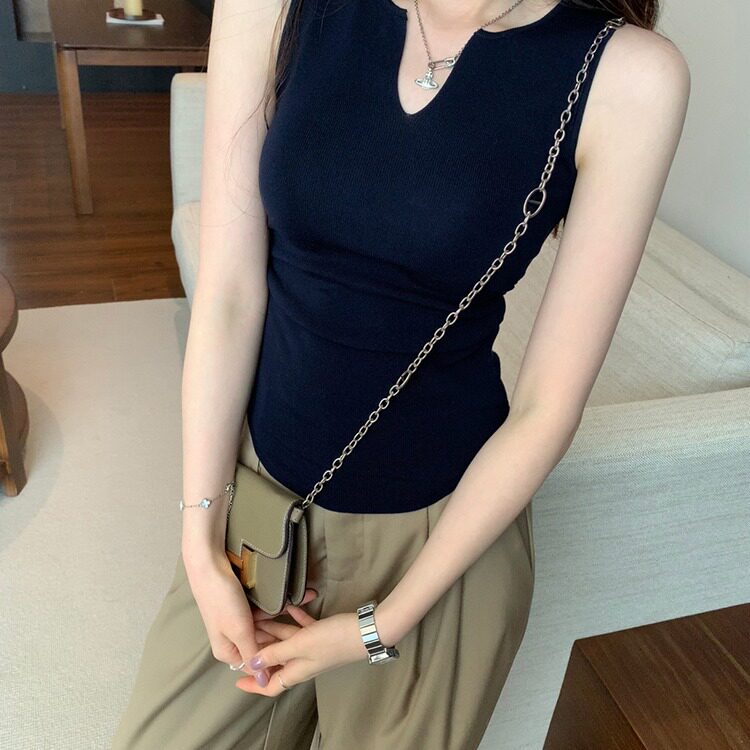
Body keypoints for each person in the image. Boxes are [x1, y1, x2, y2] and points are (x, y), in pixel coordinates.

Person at [112, 0, 690, 747]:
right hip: (255, 498)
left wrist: (385, 622)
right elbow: (226, 296)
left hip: (439, 541)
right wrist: (199, 539)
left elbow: (546, 407)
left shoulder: (629, 75)